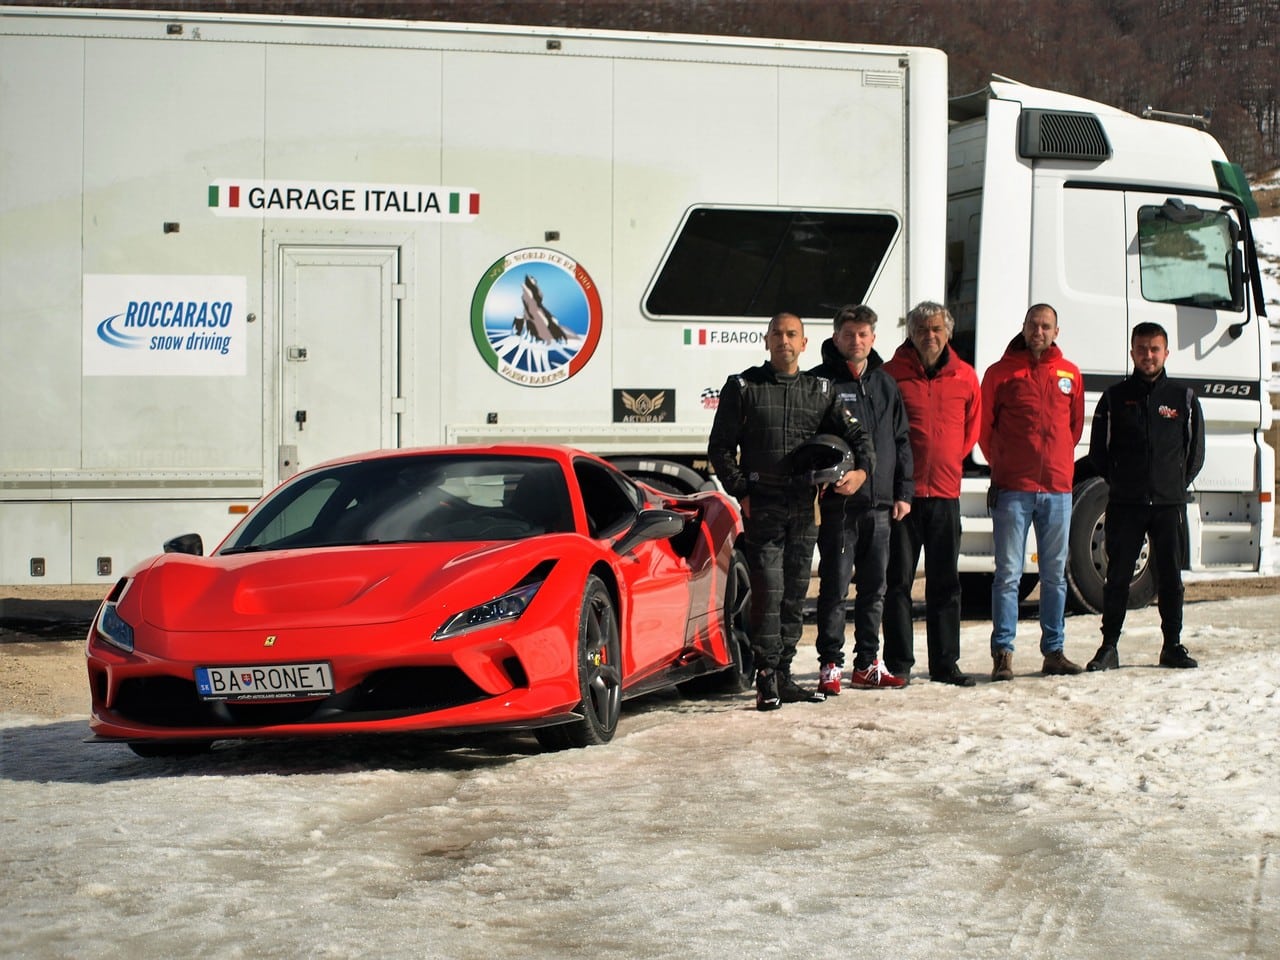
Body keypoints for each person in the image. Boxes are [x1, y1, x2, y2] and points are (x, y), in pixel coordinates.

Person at [708, 312, 875, 711]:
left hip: (804, 506)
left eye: (791, 335)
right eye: (777, 335)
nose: (784, 341)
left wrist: (860, 472)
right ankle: (765, 675)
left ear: (804, 343)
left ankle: (784, 672)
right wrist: (741, 491)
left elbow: (859, 435)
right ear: (766, 342)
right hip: (762, 503)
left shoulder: (820, 390)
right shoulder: (744, 386)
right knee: (769, 589)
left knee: (796, 590)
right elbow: (720, 448)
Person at [1086, 322, 1204, 671]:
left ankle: (1172, 645)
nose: (1148, 355)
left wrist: (1172, 485)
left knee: (1170, 577)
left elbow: (1195, 452)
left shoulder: (1183, 399)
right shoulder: (1114, 398)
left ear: (1166, 353)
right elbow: (1098, 453)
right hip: (1126, 504)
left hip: (1168, 505)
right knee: (1117, 576)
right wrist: (1124, 482)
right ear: (1132, 352)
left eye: (1155, 349)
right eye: (1142, 349)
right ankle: (1108, 647)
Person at [807, 305, 913, 693]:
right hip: (839, 506)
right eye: (849, 334)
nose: (856, 341)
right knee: (834, 588)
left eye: (863, 334)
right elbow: (806, 439)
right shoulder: (818, 383)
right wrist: (819, 479)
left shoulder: (886, 384)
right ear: (836, 338)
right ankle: (829, 664)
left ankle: (867, 663)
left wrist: (904, 491)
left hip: (880, 505)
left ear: (873, 338)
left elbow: (901, 440)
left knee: (875, 589)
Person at [979, 303, 1084, 681]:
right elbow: (984, 428)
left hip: (1057, 490)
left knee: (1055, 574)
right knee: (1008, 574)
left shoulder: (1069, 373)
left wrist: (1054, 462)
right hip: (1013, 490)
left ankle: (1053, 652)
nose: (1039, 331)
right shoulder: (1000, 373)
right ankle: (1003, 653)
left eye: (1046, 326)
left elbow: (1073, 428)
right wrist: (1005, 464)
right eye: (1033, 325)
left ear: (1056, 331)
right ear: (1023, 328)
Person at [882, 301, 981, 686]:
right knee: (898, 583)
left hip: (944, 494)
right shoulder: (891, 376)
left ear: (949, 332)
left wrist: (948, 461)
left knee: (945, 584)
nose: (930, 335)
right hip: (902, 498)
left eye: (937, 328)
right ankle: (899, 664)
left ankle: (945, 663)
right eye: (922, 329)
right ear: (911, 333)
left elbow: (971, 430)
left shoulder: (965, 376)